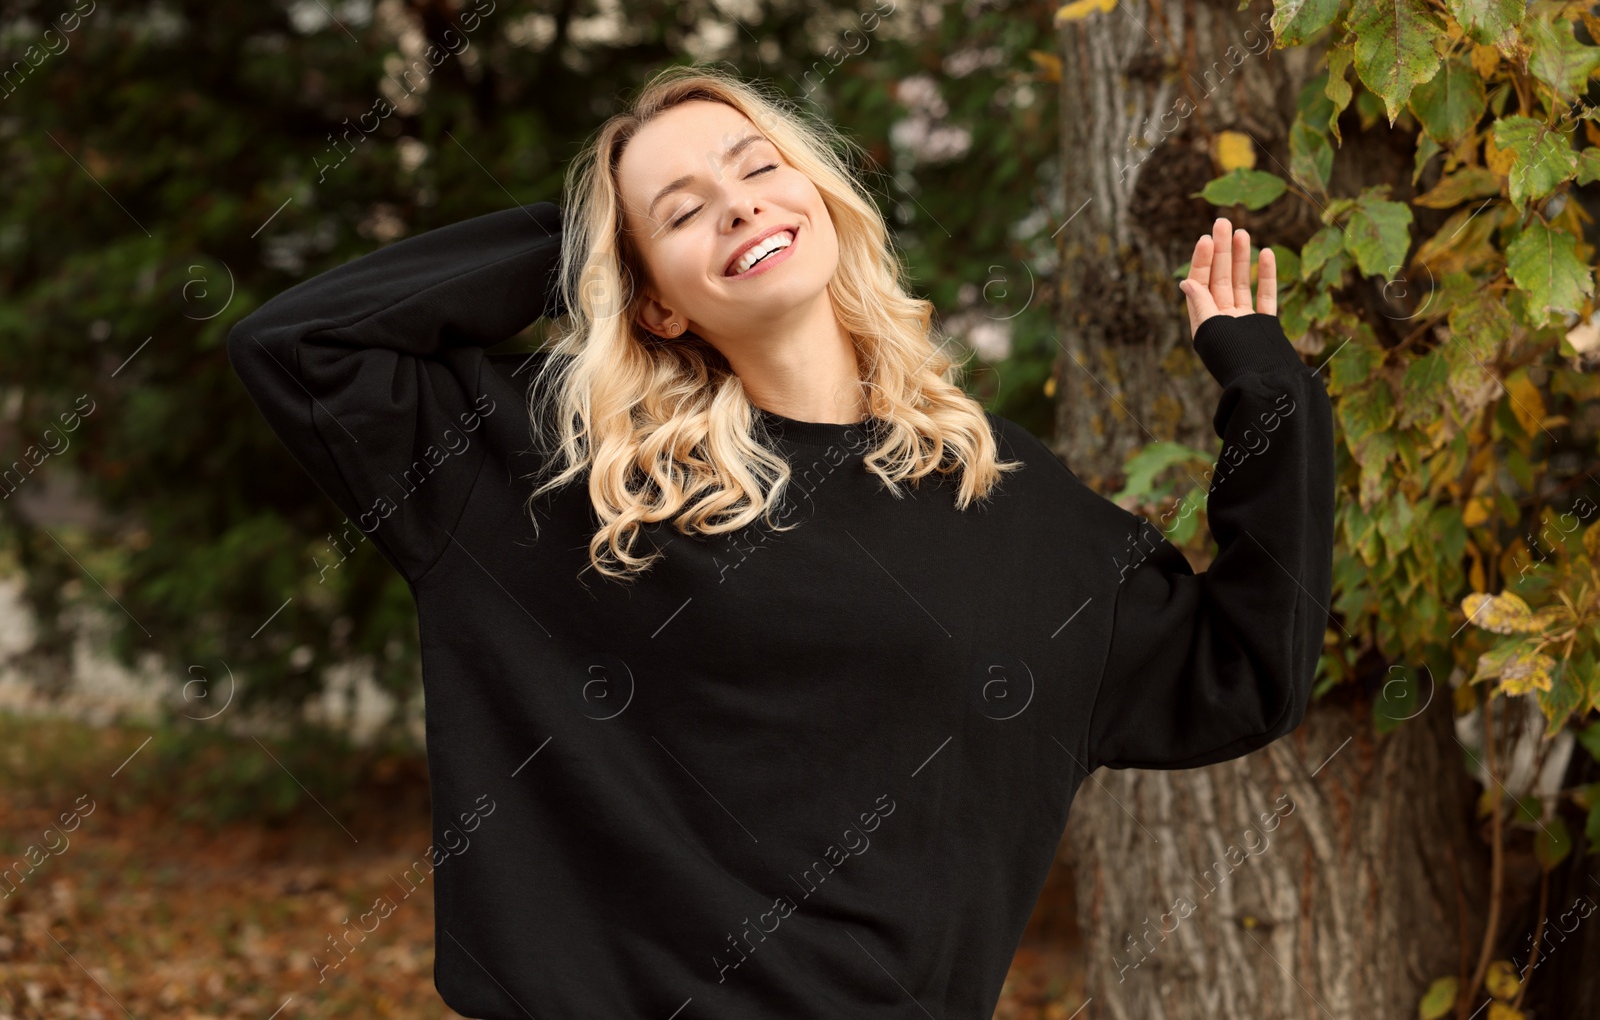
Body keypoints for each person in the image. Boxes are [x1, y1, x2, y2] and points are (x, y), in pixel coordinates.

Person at [227, 63, 1334, 1019]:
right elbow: (302, 345)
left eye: (757, 167)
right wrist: (587, 236)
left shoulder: (994, 490)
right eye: (680, 209)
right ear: (652, 300)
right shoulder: (583, 478)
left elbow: (1239, 669)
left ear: (819, 191)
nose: (739, 208)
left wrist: (1269, 393)